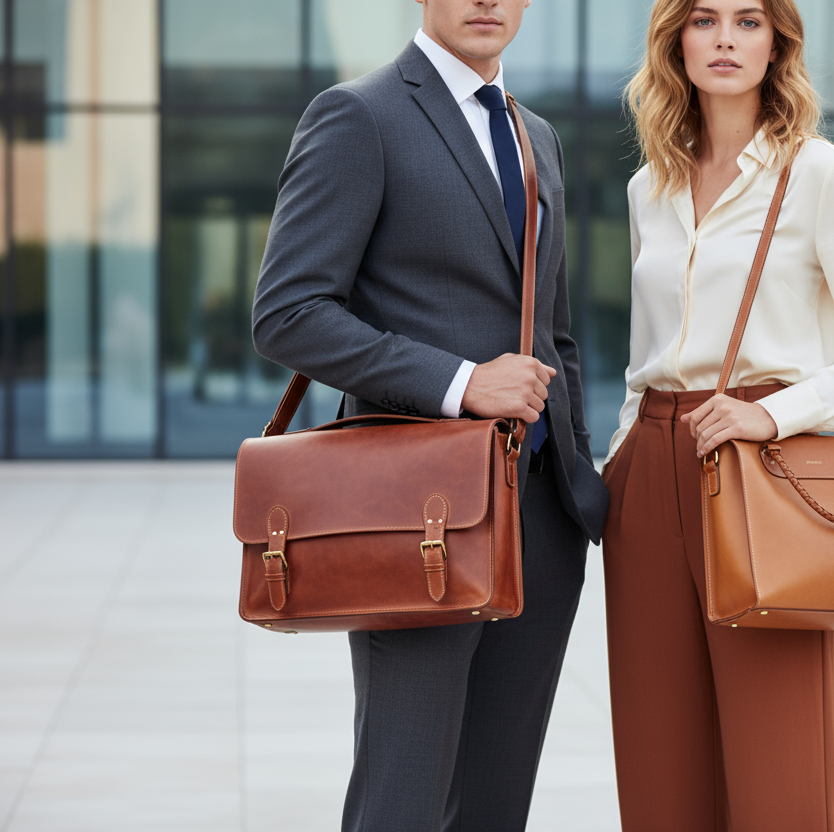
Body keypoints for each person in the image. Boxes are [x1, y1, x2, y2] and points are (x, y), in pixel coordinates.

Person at [250, 0, 608, 829]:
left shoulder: (534, 134)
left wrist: (580, 476)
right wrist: (459, 382)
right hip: (420, 517)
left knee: (495, 803)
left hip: (542, 521)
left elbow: (553, 332)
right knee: (403, 798)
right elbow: (289, 313)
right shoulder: (358, 116)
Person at [601, 0, 834, 829]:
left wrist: (775, 415)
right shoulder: (650, 187)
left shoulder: (822, 176)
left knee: (776, 752)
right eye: (705, 20)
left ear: (778, 41)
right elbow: (647, 358)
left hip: (759, 466)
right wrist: (618, 464)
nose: (726, 40)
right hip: (650, 467)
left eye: (749, 20)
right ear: (676, 37)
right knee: (656, 752)